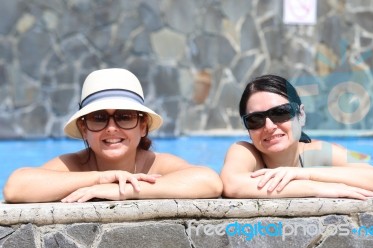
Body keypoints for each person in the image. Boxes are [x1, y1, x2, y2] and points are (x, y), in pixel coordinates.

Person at [3, 68, 223, 203]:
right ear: (83, 128)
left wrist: (124, 190)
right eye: (98, 118)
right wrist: (100, 178)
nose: (111, 127)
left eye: (124, 116)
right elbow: (16, 187)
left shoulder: (155, 165)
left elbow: (209, 181)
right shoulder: (74, 165)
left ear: (143, 126)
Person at [220, 74, 373, 200]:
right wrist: (314, 188)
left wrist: (302, 174)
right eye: (255, 119)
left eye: (281, 112)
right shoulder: (243, 150)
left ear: (301, 115)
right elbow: (231, 184)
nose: (269, 126)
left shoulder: (322, 149)